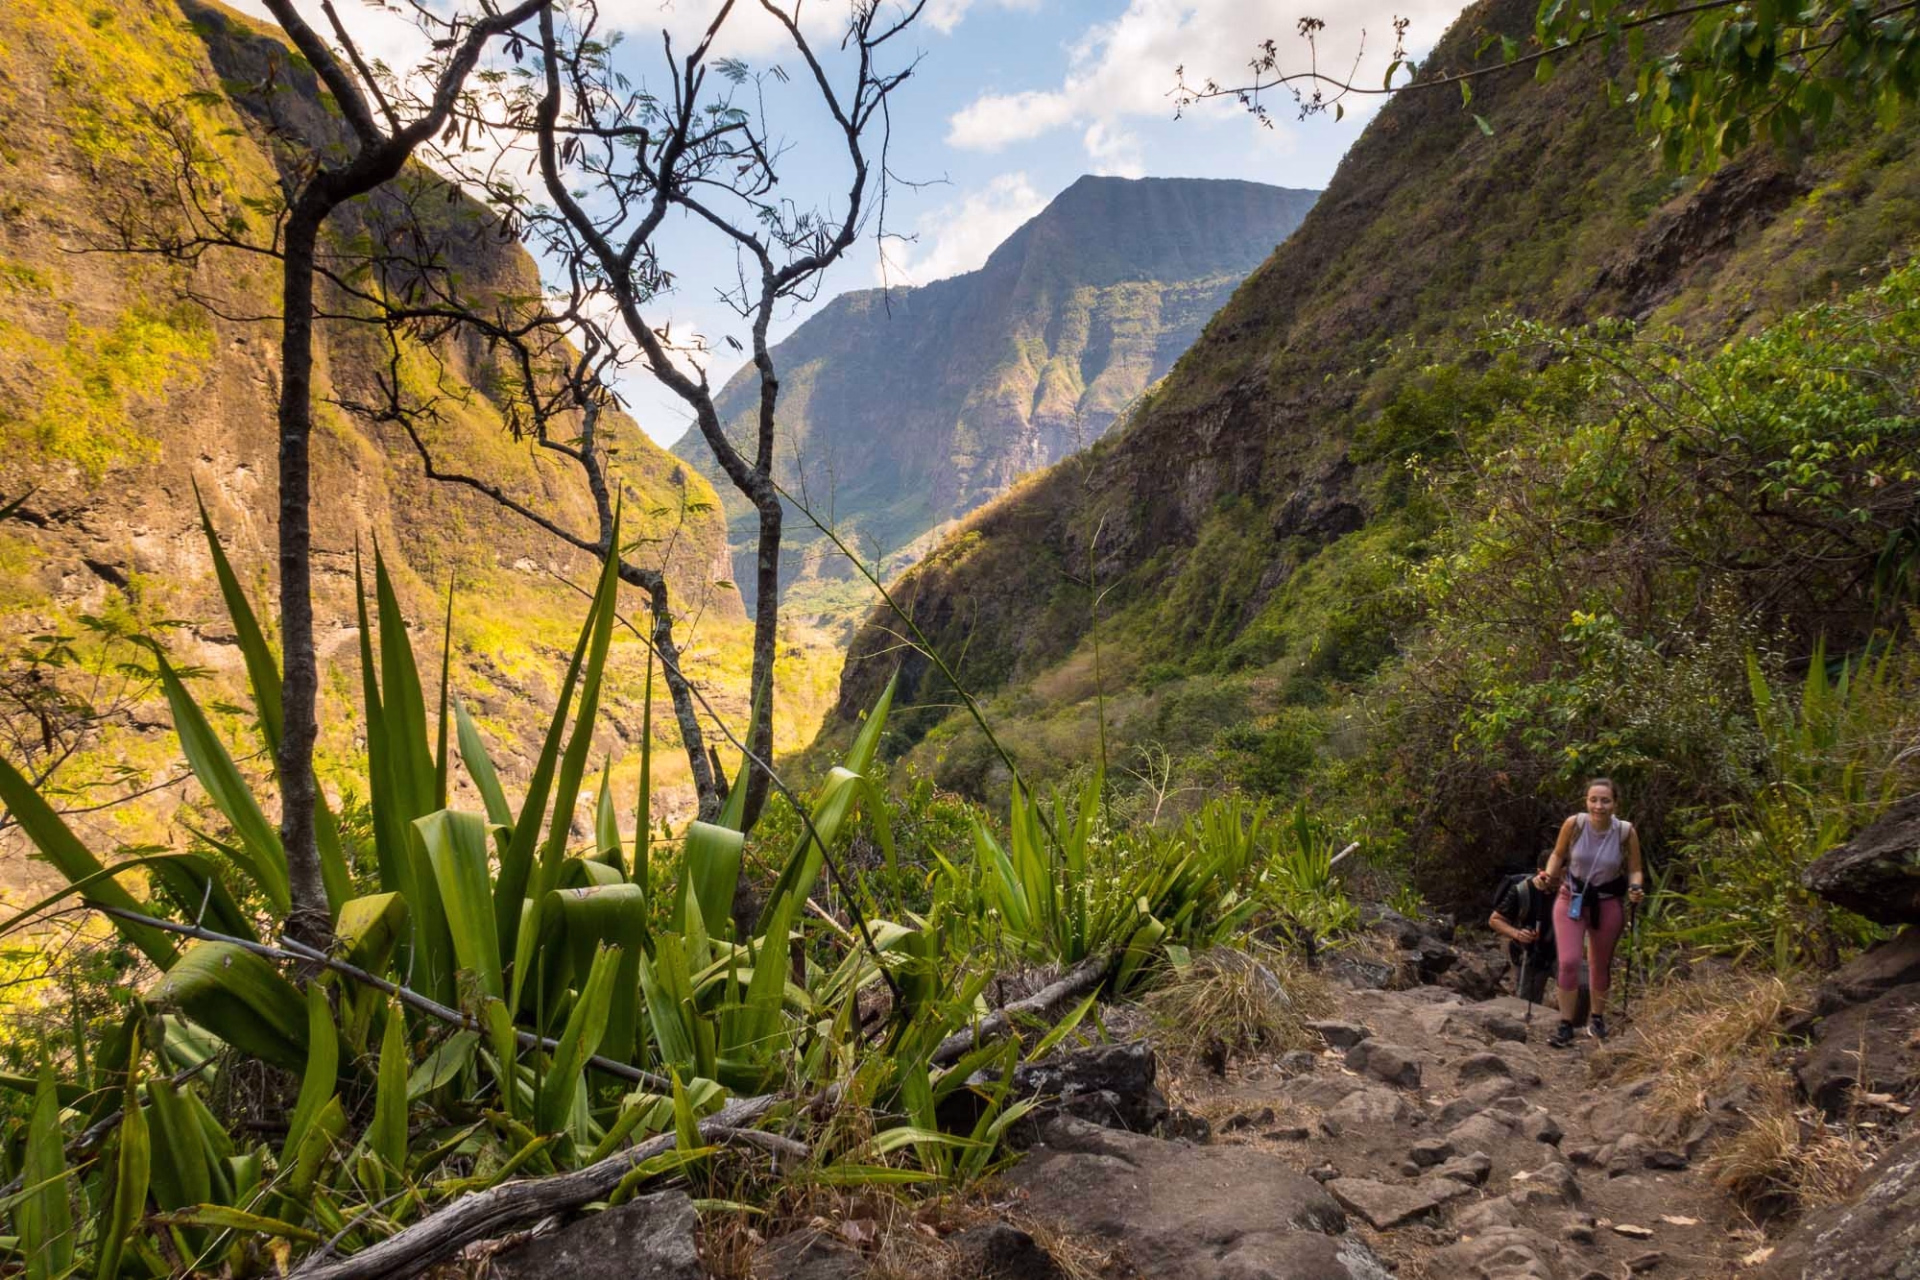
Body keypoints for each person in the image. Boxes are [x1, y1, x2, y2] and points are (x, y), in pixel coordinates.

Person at [1534, 778, 1645, 1048]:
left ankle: (1596, 1019)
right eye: (1593, 800)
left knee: (1600, 963)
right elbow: (1558, 855)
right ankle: (1565, 1024)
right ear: (1586, 801)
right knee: (1569, 961)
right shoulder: (1574, 824)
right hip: (1571, 897)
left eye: (1605, 800)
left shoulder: (1625, 832)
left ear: (1615, 803)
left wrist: (1635, 888)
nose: (1598, 806)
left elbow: (1635, 869)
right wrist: (1548, 875)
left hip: (1606, 901)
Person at [1489, 852, 1556, 1006]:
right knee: (1527, 1003)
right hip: (1530, 952)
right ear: (1541, 872)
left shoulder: (1569, 889)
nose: (1558, 881)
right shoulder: (1523, 890)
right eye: (1555, 876)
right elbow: (1495, 920)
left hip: (1559, 951)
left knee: (1581, 987)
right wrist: (1518, 934)